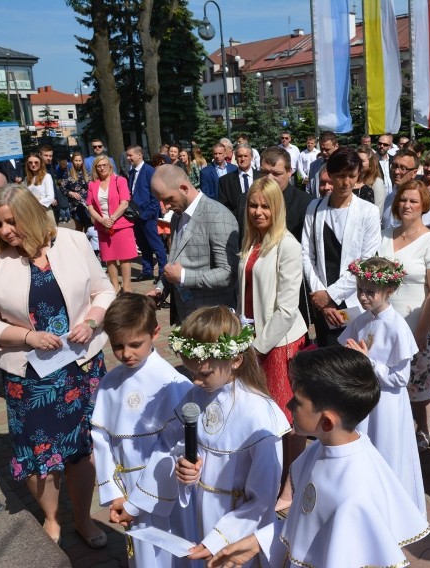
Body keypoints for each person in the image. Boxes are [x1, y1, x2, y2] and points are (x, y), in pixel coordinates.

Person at [0, 185, 115, 546]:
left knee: (81, 450)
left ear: (31, 215)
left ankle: (83, 519)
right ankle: (52, 519)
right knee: (38, 455)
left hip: (80, 367)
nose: (5, 231)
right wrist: (25, 337)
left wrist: (93, 322)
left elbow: (104, 290)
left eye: (11, 221)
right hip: (30, 375)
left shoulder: (72, 241)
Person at [206, 347, 430, 568]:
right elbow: (306, 524)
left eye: (297, 400)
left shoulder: (355, 497)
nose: (288, 404)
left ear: (326, 422)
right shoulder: (321, 448)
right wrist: (258, 542)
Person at [113, 306, 288, 562]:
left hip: (236, 530)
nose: (194, 381)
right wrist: (184, 464)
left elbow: (263, 499)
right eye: (191, 372)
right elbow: (170, 444)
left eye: (204, 373)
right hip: (195, 516)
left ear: (236, 359)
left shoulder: (260, 415)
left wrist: (219, 538)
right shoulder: (195, 397)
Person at [92, 293, 192, 567]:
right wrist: (113, 492)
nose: (126, 354)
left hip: (162, 491)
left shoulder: (173, 384)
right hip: (125, 490)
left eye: (136, 344)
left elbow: (174, 449)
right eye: (118, 346)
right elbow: (101, 440)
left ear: (155, 333)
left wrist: (136, 503)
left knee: (168, 554)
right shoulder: (110, 383)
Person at [236, 176, 308, 510]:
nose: (258, 211)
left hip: (278, 343)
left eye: (266, 205)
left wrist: (258, 347)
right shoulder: (251, 241)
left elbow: (286, 308)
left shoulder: (287, 245)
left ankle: (290, 486)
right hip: (252, 338)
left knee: (286, 417)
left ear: (277, 208)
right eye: (253, 204)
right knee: (259, 412)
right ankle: (266, 475)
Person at [340, 256, 425, 513]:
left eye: (370, 292)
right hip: (364, 400)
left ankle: (391, 512)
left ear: (389, 290)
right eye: (360, 291)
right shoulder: (362, 319)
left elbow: (400, 378)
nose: (363, 297)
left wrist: (368, 363)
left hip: (386, 404)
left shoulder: (397, 326)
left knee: (386, 455)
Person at [378, 180, 430, 450]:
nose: (407, 205)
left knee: (419, 388)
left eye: (413, 201)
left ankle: (422, 433)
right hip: (384, 326)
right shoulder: (384, 235)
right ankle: (394, 432)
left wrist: (420, 332)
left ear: (424, 206)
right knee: (388, 383)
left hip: (417, 325)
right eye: (403, 200)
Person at [302, 148, 381, 346]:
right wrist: (321, 297)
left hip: (354, 302)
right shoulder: (315, 208)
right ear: (330, 174)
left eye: (351, 176)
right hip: (322, 304)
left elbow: (366, 262)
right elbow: (307, 254)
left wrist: (331, 295)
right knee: (327, 362)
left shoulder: (368, 212)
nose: (346, 183)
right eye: (340, 176)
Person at [149, 164, 240, 324]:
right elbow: (175, 262)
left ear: (184, 188)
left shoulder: (218, 215)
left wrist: (183, 277)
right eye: (162, 202)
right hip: (186, 317)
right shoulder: (177, 216)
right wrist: (160, 289)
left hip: (211, 320)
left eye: (168, 199)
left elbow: (229, 273)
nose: (166, 207)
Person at [237, 147, 313, 242]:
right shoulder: (244, 200)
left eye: (276, 174)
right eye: (264, 172)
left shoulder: (306, 204)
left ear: (289, 172)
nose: (269, 178)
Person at [87, 155, 137, 293]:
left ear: (110, 166)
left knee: (125, 257)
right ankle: (115, 286)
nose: (102, 168)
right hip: (103, 226)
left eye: (104, 165)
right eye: (99, 166)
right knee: (109, 258)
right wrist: (102, 220)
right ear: (95, 168)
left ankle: (127, 287)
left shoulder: (119, 180)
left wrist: (112, 218)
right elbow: (90, 206)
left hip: (121, 224)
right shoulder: (92, 184)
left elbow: (125, 202)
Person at [126, 145, 168, 282]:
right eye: (127, 155)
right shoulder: (132, 172)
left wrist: (151, 212)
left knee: (156, 244)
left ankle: (163, 272)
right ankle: (147, 271)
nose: (128, 158)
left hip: (148, 215)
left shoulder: (149, 171)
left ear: (139, 155)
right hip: (136, 215)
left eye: (130, 155)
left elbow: (155, 194)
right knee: (143, 244)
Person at [217, 143, 257, 217]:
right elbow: (224, 207)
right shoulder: (225, 181)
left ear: (251, 157)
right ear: (235, 158)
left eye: (245, 156)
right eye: (239, 156)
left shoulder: (261, 177)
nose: (242, 159)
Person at [60, 152, 92, 232]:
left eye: (79, 160)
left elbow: (92, 188)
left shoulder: (87, 174)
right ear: (72, 161)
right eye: (76, 160)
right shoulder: (68, 174)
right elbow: (62, 188)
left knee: (89, 227)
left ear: (82, 161)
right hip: (75, 206)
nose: (78, 163)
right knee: (79, 228)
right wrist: (71, 193)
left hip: (87, 205)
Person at [355, 144, 386, 211]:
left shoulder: (377, 183)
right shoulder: (352, 180)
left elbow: (378, 210)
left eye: (362, 161)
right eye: (356, 160)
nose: (358, 163)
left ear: (370, 163)